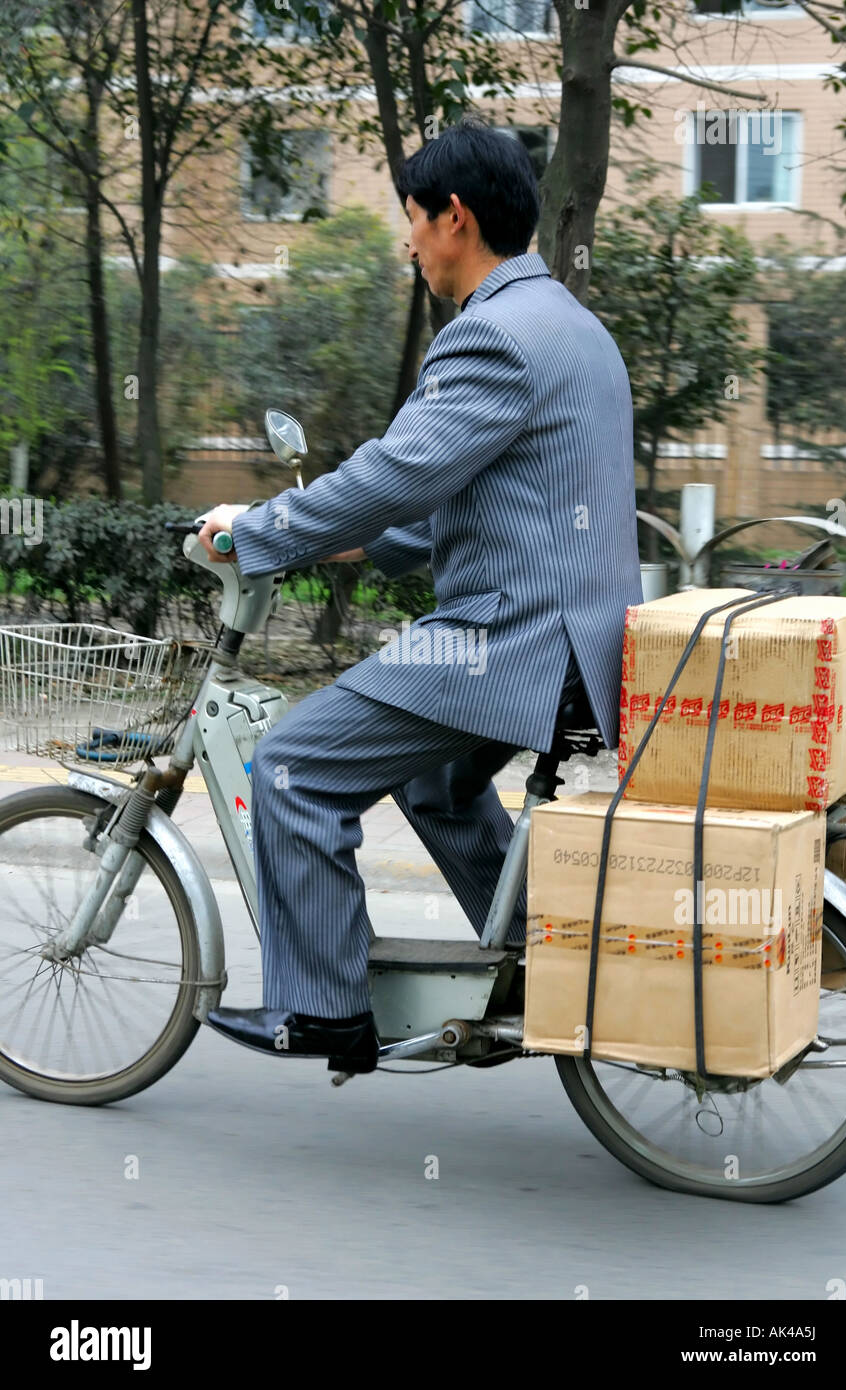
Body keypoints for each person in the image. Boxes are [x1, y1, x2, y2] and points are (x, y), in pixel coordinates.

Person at [200, 118, 643, 1075]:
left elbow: (396, 473)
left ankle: (324, 1011)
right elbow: (473, 492)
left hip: (511, 646)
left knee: (291, 767)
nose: (409, 242)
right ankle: (531, 961)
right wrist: (353, 539)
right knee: (437, 780)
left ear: (454, 217)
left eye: (411, 218)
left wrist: (256, 529)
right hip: (586, 648)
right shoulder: (573, 326)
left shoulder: (491, 335)